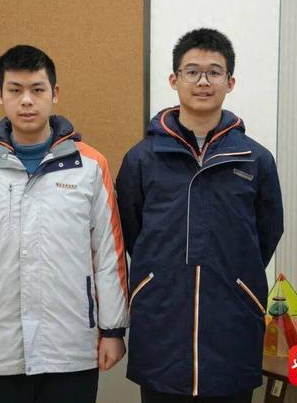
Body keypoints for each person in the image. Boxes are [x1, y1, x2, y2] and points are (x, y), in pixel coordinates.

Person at [0, 45, 128, 403]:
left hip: (70, 348)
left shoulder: (90, 167)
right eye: (15, 90)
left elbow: (108, 256)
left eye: (37, 89)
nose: (26, 100)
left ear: (55, 93)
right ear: (0, 95)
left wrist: (113, 330)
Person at [116, 28, 284, 402]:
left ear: (230, 81)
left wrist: (236, 275)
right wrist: (157, 275)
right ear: (174, 80)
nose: (203, 81)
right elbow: (131, 228)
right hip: (162, 316)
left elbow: (267, 232)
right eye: (192, 71)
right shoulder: (142, 159)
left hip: (232, 318)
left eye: (214, 72)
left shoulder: (255, 160)